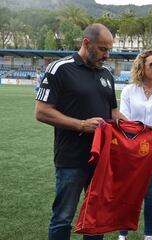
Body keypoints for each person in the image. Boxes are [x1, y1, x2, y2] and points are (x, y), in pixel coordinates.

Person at [35, 23, 126, 240]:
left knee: (96, 216)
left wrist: (137, 129)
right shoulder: (60, 69)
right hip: (71, 159)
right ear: (87, 43)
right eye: (103, 49)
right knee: (63, 217)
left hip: (101, 159)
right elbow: (42, 112)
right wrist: (82, 125)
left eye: (109, 49)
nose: (107, 55)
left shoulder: (106, 74)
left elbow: (112, 111)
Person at [118, 49, 152, 240]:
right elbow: (124, 122)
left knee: (150, 195)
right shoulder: (128, 91)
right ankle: (123, 233)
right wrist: (140, 140)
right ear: (141, 66)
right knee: (128, 192)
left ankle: (148, 235)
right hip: (131, 150)